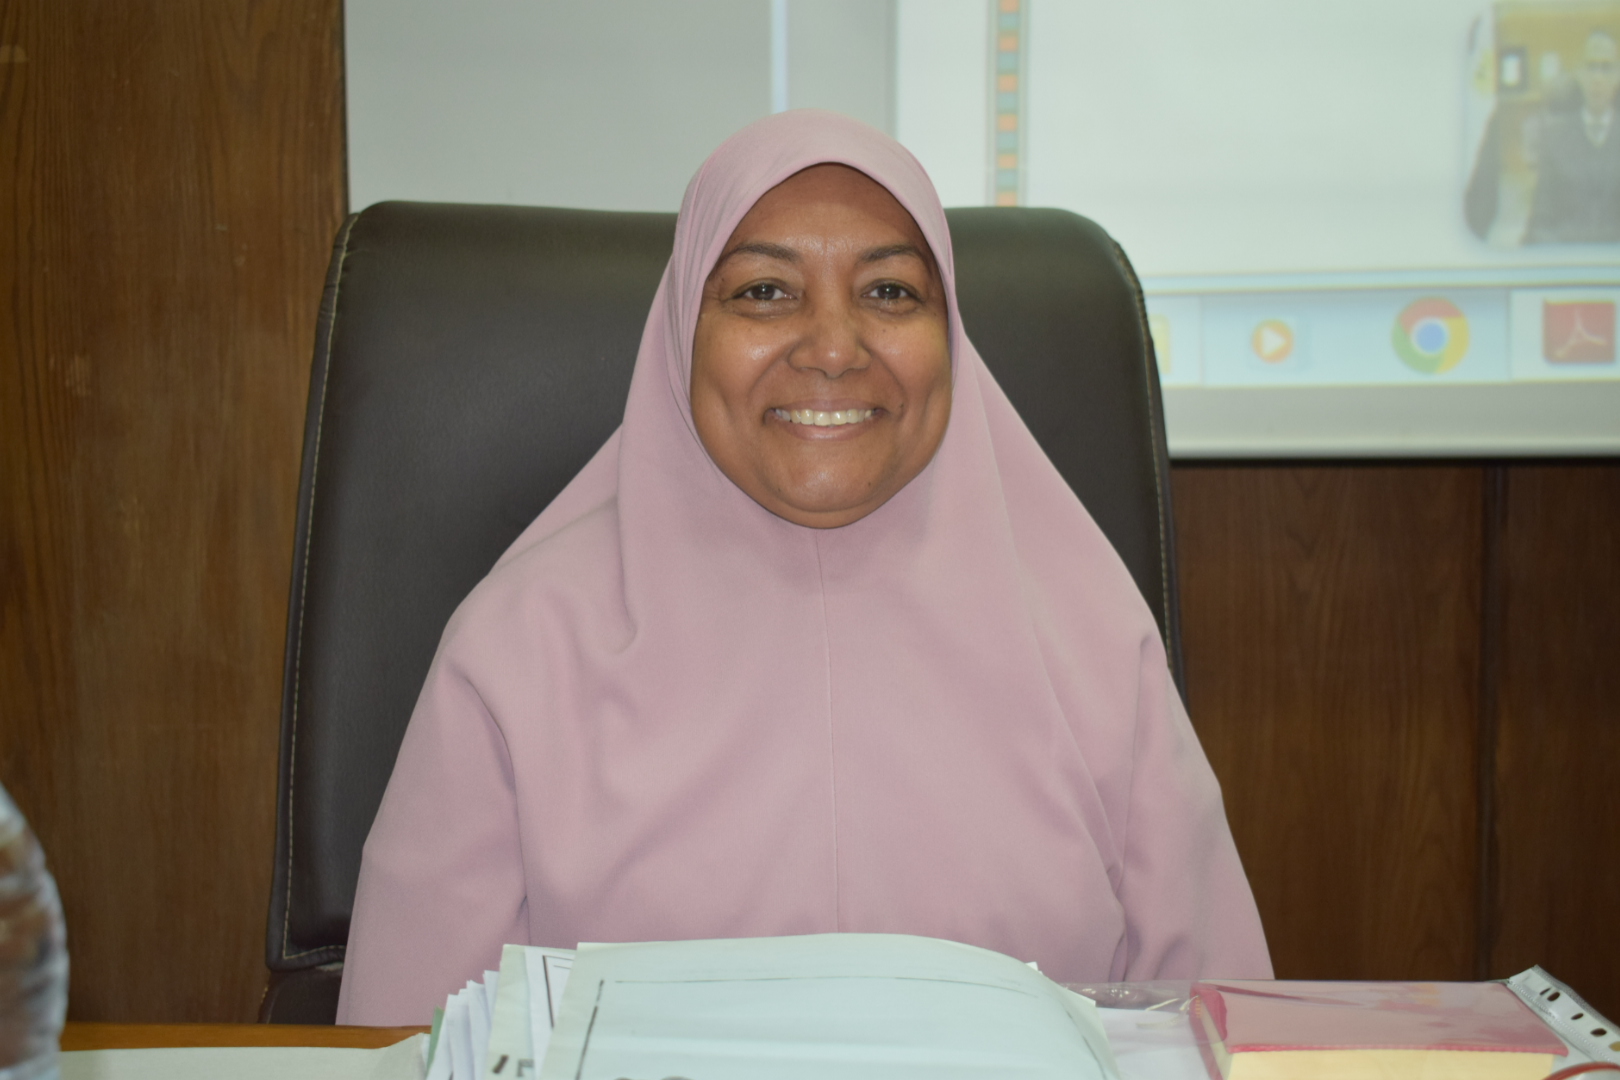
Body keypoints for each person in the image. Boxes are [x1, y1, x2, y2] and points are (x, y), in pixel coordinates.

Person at [336, 110, 1271, 1026]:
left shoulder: (1093, 633)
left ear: (951, 336)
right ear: (682, 331)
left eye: (890, 292)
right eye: (764, 292)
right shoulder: (516, 650)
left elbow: (1216, 1028)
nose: (833, 347)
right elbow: (408, 1041)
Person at [1525, 29, 1620, 243]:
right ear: (1578, 74)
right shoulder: (1554, 140)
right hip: (1568, 257)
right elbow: (1538, 224)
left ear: (1617, 76)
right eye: (1590, 67)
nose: (1597, 78)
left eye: (1606, 68)